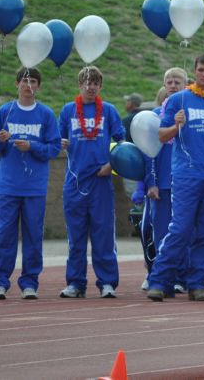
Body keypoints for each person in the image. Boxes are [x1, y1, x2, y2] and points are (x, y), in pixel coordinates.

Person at [147, 54, 204, 302]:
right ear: (194, 72)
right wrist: (176, 126)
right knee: (181, 228)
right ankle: (159, 280)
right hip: (186, 175)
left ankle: (197, 283)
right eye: (200, 70)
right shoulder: (178, 100)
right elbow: (162, 136)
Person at [0, 67, 61, 300]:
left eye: (33, 81)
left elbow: (54, 148)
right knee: (3, 234)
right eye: (25, 81)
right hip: (8, 186)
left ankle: (30, 283)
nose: (28, 85)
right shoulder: (5, 111)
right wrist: (0, 141)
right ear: (17, 84)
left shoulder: (46, 114)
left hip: (34, 187)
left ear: (39, 86)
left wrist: (32, 147)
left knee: (33, 235)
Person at [58, 66, 125, 299]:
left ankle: (107, 282)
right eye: (86, 82)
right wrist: (61, 143)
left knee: (103, 234)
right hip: (75, 181)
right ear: (79, 85)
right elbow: (57, 140)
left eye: (95, 83)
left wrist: (112, 165)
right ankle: (75, 283)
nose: (90, 87)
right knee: (76, 236)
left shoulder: (108, 110)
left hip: (101, 180)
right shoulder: (68, 111)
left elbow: (122, 142)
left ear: (100, 86)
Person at [135, 67, 187, 292]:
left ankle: (181, 275)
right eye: (169, 82)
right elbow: (149, 153)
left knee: (185, 231)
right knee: (161, 232)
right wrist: (151, 182)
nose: (173, 85)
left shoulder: (192, 112)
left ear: (186, 85)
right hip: (163, 183)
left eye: (178, 82)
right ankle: (159, 273)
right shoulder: (156, 115)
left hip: (186, 182)